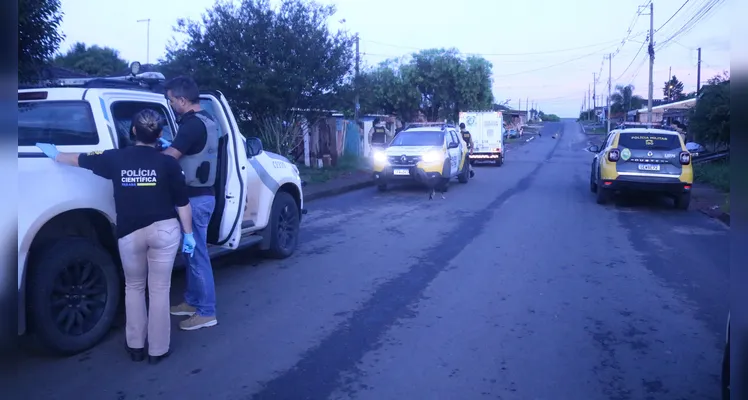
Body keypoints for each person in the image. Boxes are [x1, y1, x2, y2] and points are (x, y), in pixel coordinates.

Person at [35, 109, 195, 364]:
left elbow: (81, 158)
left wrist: (55, 154)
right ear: (161, 135)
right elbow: (183, 204)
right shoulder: (168, 163)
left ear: (132, 131)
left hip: (129, 233)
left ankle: (135, 346)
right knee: (159, 289)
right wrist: (189, 235)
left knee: (133, 287)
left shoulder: (114, 158)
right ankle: (158, 350)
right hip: (165, 231)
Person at [160, 76, 221, 331]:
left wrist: (141, 157)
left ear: (182, 100)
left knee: (197, 256)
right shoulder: (208, 120)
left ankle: (206, 312)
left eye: (172, 101)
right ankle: (192, 301)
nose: (171, 105)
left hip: (194, 201)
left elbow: (169, 159)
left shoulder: (191, 126)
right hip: (202, 197)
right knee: (191, 254)